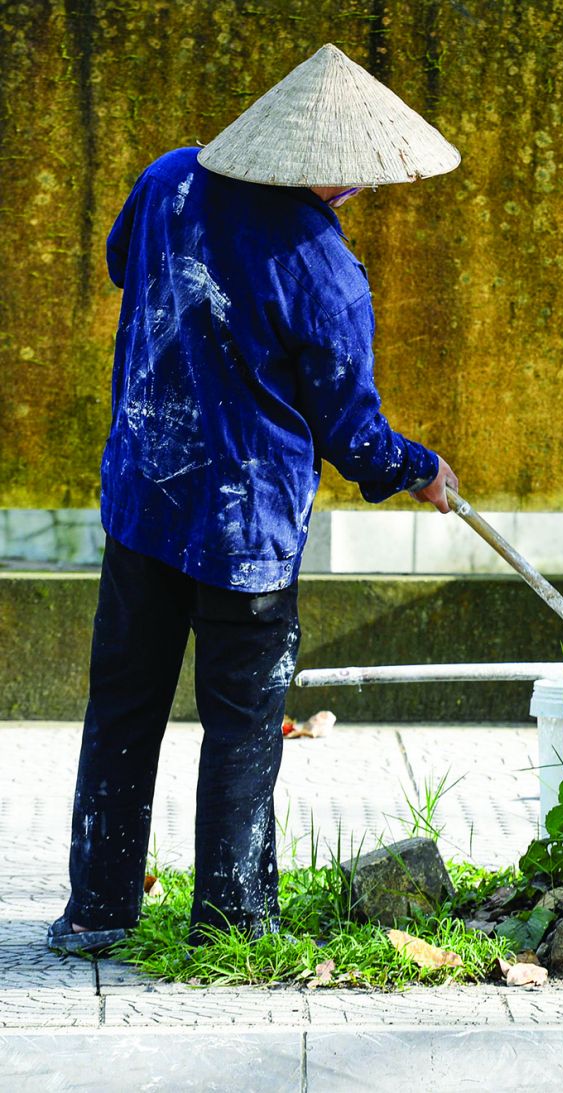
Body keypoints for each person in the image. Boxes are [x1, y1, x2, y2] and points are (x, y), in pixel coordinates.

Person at [48, 44, 461, 951]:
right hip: (246, 533)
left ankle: (96, 912)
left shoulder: (167, 179)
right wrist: (421, 467)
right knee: (240, 728)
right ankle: (232, 920)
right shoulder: (326, 272)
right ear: (345, 178)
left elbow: (125, 266)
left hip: (144, 498)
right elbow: (355, 438)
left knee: (123, 707)